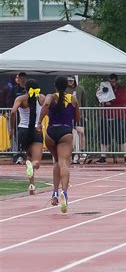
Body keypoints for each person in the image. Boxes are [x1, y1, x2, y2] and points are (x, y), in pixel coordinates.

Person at [38, 76, 80, 213]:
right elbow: (77, 117)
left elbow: (45, 105)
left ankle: (55, 192)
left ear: (55, 85)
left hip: (51, 133)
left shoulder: (50, 96)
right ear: (66, 86)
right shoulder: (72, 99)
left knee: (56, 161)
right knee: (64, 163)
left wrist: (39, 122)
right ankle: (65, 193)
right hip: (65, 132)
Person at [9, 79, 45, 195]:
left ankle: (32, 185)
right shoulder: (41, 98)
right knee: (36, 162)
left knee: (29, 157)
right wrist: (40, 121)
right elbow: (47, 108)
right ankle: (32, 167)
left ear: (25, 88)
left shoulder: (20, 99)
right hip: (36, 130)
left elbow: (13, 112)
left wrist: (12, 129)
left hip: (22, 130)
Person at [96, 74, 126, 164]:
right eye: (110, 82)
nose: (112, 83)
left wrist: (110, 101)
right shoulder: (104, 88)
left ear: (116, 81)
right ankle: (103, 157)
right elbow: (99, 97)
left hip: (118, 116)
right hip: (106, 115)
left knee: (122, 137)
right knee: (104, 137)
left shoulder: (120, 89)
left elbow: (120, 99)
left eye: (114, 81)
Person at [66, 76, 87, 164]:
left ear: (74, 80)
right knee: (71, 134)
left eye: (71, 80)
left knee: (81, 132)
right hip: (68, 115)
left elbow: (84, 101)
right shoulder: (65, 90)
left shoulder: (80, 89)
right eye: (68, 81)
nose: (70, 82)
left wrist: (85, 115)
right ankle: (72, 153)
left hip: (79, 115)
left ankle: (82, 151)